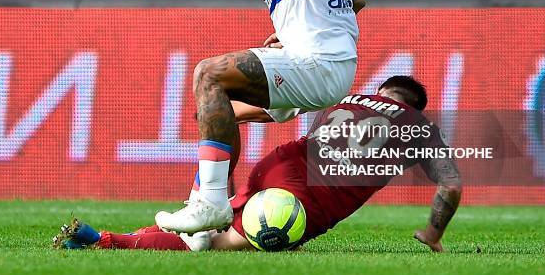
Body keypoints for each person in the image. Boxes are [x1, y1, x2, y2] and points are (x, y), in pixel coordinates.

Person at [150, 0, 365, 235]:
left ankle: (212, 204)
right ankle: (202, 225)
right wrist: (295, 29)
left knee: (207, 73)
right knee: (216, 111)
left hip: (318, 63)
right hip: (322, 62)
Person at [53, 76, 462, 253]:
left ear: (380, 91)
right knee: (213, 246)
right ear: (414, 107)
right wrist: (432, 232)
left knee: (209, 227)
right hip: (300, 200)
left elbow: (271, 109)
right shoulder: (419, 127)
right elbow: (450, 186)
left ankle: (199, 205)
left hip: (277, 165)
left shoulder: (347, 97)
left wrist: (224, 114)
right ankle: (105, 238)